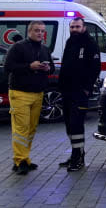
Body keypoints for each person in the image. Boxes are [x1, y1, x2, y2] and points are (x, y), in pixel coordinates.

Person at [4, 21, 54, 175]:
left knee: (31, 128)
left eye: (42, 31)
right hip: (20, 93)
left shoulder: (45, 49)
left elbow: (51, 67)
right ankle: (20, 161)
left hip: (38, 94)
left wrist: (47, 68)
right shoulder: (18, 47)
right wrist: (29, 67)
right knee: (21, 128)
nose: (40, 33)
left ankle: (25, 158)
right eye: (37, 30)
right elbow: (8, 67)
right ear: (29, 31)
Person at [57, 16, 100, 172]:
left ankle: (78, 158)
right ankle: (77, 152)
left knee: (76, 124)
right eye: (72, 27)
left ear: (84, 27)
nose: (74, 29)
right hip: (67, 91)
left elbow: (95, 68)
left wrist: (86, 88)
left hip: (80, 92)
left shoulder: (90, 44)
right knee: (69, 124)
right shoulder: (70, 42)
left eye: (77, 27)